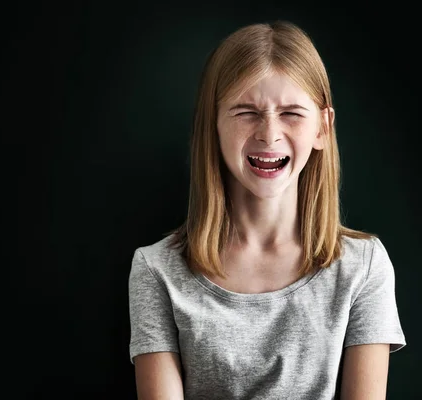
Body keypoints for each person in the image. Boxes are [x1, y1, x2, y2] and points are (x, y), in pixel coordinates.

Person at [128, 20, 406, 399]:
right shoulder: (156, 270)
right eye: (246, 112)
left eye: (291, 113)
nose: (269, 134)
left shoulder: (364, 267)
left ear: (322, 129)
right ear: (213, 126)